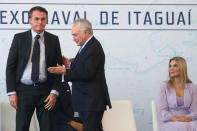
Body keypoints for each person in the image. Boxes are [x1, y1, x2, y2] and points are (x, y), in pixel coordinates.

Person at [48, 18, 112, 131]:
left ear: (86, 32)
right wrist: (69, 65)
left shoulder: (93, 48)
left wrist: (64, 71)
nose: (73, 39)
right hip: (88, 101)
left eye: (75, 35)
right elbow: (85, 68)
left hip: (91, 102)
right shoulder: (87, 46)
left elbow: (88, 73)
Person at [6, 6, 62, 131]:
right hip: (24, 92)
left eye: (43, 19)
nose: (40, 22)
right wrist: (12, 92)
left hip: (46, 93)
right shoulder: (19, 38)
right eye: (36, 19)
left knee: (47, 128)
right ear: (30, 20)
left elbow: (58, 69)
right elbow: (10, 67)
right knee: (21, 128)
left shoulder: (54, 40)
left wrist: (54, 92)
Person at [158, 56, 197, 131]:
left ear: (182, 68)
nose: (171, 69)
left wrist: (187, 118)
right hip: (170, 121)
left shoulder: (192, 87)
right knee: (179, 127)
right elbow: (162, 110)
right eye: (170, 66)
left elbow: (195, 111)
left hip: (188, 121)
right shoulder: (164, 86)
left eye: (175, 66)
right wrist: (175, 118)